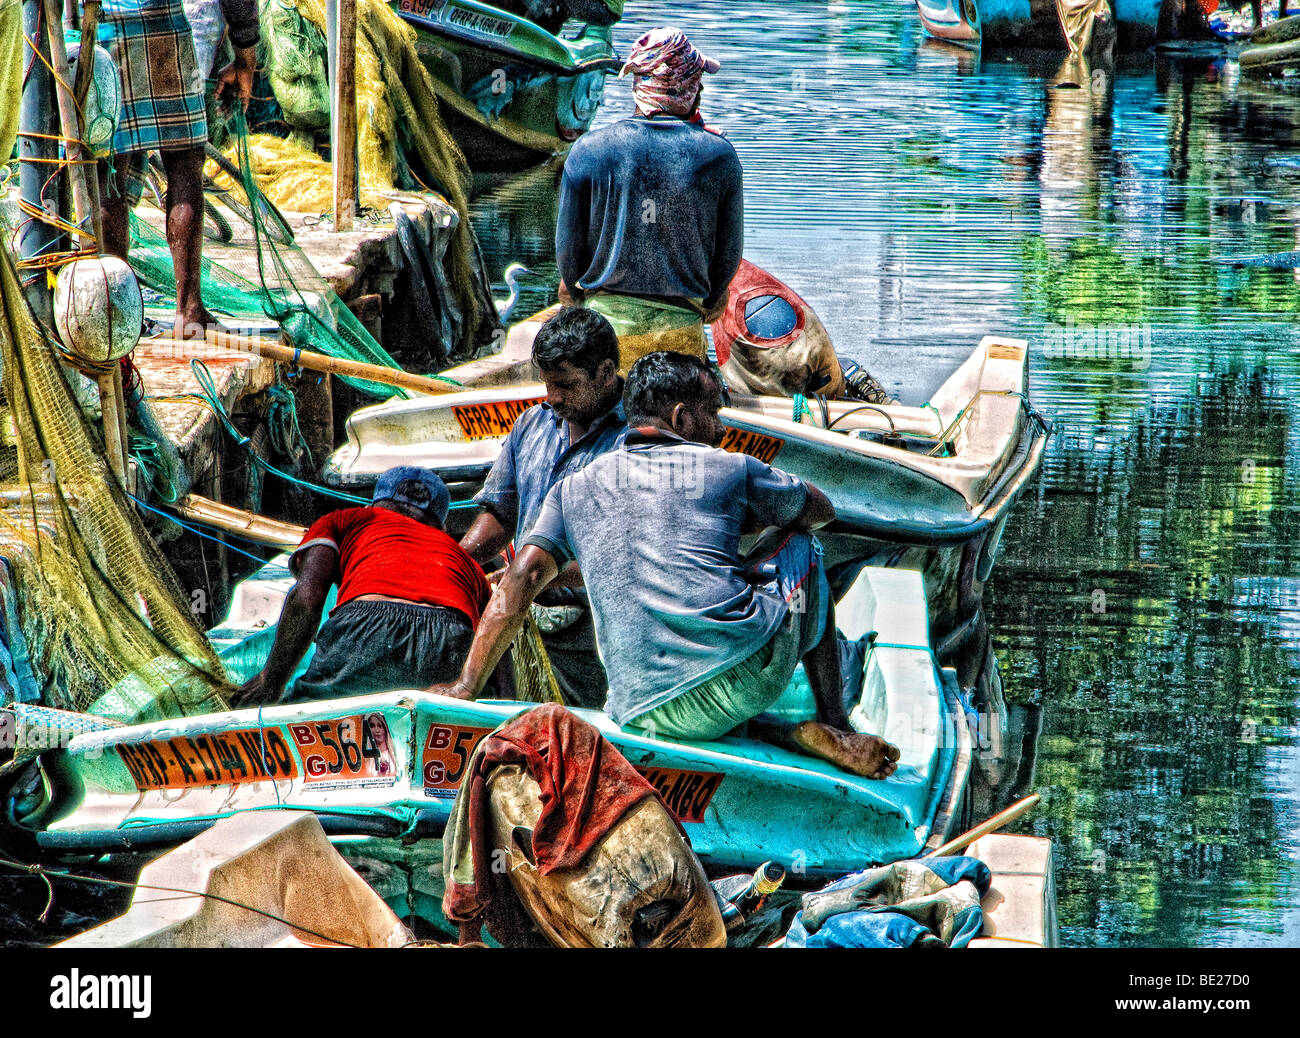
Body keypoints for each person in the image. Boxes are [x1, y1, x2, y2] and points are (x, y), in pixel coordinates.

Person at [430, 352, 901, 779]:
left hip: (635, 706)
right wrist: (746, 520)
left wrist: (466, 686)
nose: (718, 426)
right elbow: (821, 512)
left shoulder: (573, 489)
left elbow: (520, 579)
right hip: (735, 682)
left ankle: (784, 733)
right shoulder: (729, 466)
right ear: (682, 417)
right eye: (713, 412)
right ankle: (836, 724)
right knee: (802, 546)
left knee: (701, 654)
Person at [460, 306, 626, 708]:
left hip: (599, 634)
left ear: (605, 373)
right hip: (522, 614)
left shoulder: (636, 441)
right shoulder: (532, 422)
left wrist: (532, 577)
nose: (552, 397)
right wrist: (458, 561)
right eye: (547, 383)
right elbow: (502, 513)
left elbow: (629, 557)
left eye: (566, 385)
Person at [555, 26, 742, 371]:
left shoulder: (588, 150)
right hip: (680, 335)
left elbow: (568, 255)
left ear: (638, 85)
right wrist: (714, 298)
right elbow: (728, 257)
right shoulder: (719, 156)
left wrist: (578, 292)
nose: (700, 90)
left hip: (605, 333)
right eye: (698, 82)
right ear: (691, 88)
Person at [232, 467, 490, 706]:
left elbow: (306, 599)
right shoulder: (464, 559)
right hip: (452, 633)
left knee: (312, 711)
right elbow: (493, 639)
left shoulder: (347, 519)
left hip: (365, 624)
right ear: (441, 526)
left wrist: (271, 681)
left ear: (375, 503)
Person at [96, 0, 259, 340]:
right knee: (184, 165)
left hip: (101, 26)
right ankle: (189, 311)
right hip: (163, 23)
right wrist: (245, 52)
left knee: (109, 169)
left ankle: (117, 313)